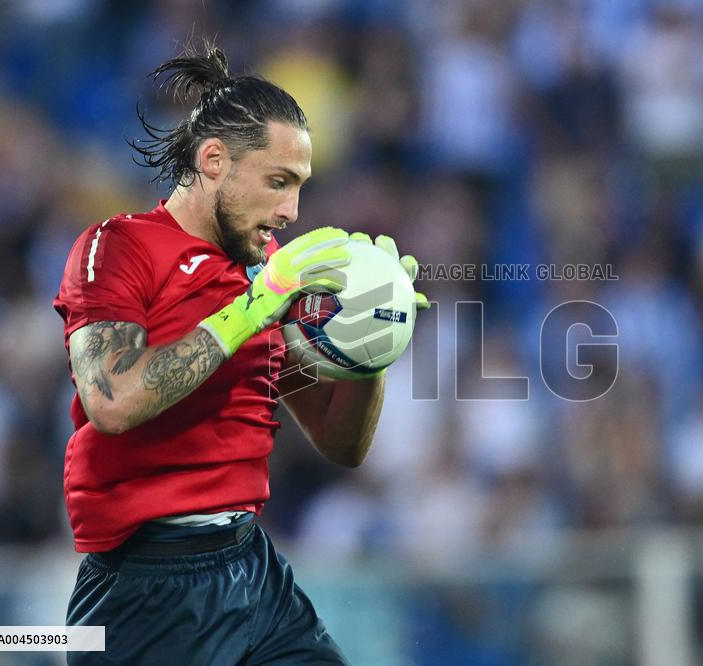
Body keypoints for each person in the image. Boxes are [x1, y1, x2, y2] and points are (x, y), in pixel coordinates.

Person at [53, 43, 427, 665]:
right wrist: (256, 307)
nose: (291, 211)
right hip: (145, 585)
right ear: (214, 160)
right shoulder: (117, 247)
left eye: (300, 187)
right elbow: (112, 399)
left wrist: (373, 338)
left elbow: (341, 444)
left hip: (252, 566)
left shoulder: (263, 277)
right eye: (278, 182)